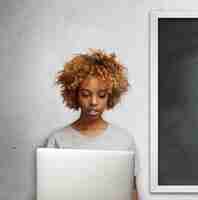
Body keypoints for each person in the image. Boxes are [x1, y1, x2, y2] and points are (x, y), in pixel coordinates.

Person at [45, 48, 139, 200]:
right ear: (74, 94)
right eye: (86, 94)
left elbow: (132, 192)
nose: (94, 102)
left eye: (101, 95)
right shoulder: (57, 140)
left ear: (110, 96)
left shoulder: (124, 140)